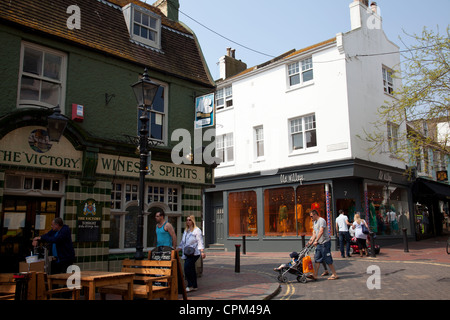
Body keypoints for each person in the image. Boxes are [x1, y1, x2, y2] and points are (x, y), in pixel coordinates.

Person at [307, 210, 339, 280]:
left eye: (311, 216)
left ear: (315, 215)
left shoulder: (322, 220)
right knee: (317, 259)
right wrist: (310, 241)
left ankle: (334, 274)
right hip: (319, 244)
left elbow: (321, 231)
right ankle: (315, 275)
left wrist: (316, 240)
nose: (311, 218)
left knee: (328, 258)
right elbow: (314, 233)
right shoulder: (314, 222)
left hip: (325, 243)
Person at [177, 215, 205, 292]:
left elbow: (200, 241)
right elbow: (183, 242)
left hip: (194, 253)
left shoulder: (197, 230)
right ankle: (194, 286)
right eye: (187, 220)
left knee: (186, 268)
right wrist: (178, 248)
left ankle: (190, 285)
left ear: (193, 221)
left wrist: (202, 252)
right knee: (191, 269)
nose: (188, 221)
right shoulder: (186, 231)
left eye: (189, 220)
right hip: (186, 253)